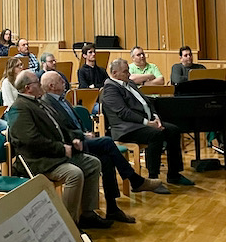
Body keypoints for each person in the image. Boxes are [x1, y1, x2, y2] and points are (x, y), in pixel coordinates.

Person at [41, 70, 167, 223]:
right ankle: (135, 180)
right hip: (72, 144)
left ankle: (112, 209)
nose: (64, 81)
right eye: (60, 79)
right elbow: (60, 128)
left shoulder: (63, 99)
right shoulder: (47, 102)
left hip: (81, 138)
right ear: (52, 85)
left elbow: (73, 122)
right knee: (107, 142)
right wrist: (82, 136)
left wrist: (85, 132)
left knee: (106, 159)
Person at [8, 70, 110, 228]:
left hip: (54, 155)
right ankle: (68, 224)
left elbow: (58, 126)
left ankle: (88, 214)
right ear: (28, 88)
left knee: (93, 163)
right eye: (37, 82)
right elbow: (30, 141)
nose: (40, 85)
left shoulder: (38, 102)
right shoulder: (19, 108)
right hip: (38, 161)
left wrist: (72, 140)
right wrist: (61, 149)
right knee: (74, 174)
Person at [100, 58, 193, 186]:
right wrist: (147, 123)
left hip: (144, 123)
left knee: (173, 130)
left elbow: (147, 102)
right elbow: (124, 113)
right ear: (114, 73)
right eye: (125, 71)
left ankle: (174, 175)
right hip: (126, 128)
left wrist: (155, 117)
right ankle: (153, 178)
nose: (129, 74)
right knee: (155, 134)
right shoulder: (110, 89)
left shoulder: (130, 83)